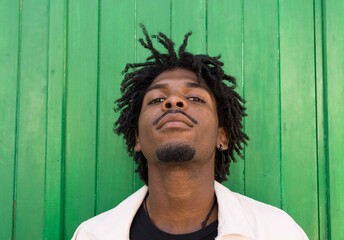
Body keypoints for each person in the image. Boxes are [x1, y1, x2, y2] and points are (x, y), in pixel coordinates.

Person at [72, 24, 309, 240]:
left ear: (222, 137)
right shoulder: (91, 234)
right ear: (137, 139)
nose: (173, 101)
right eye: (157, 99)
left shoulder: (277, 231)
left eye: (195, 98)